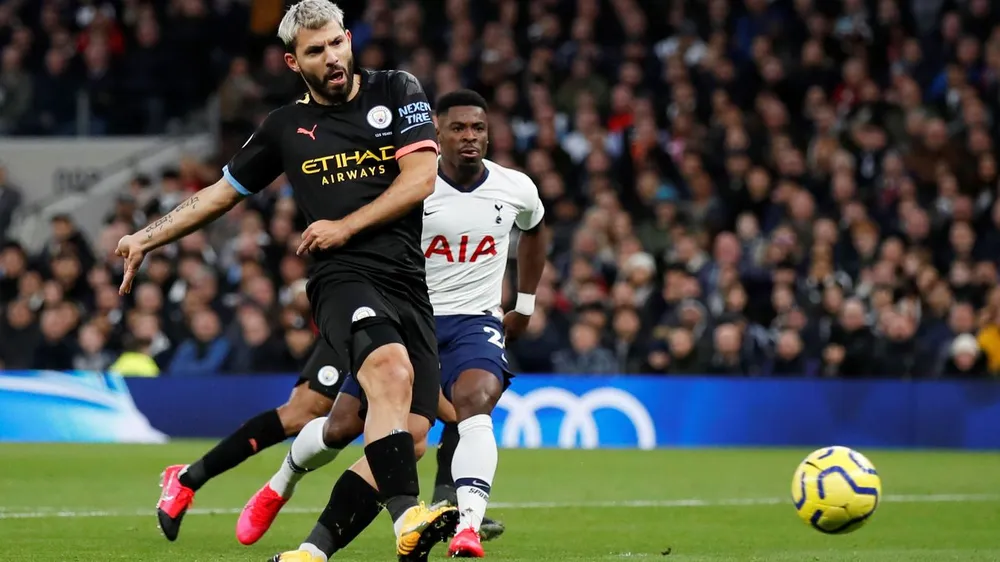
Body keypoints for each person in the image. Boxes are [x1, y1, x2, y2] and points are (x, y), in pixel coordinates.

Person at [115, 0, 455, 559]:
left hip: (408, 285)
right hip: (342, 278)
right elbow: (220, 195)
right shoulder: (284, 127)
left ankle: (311, 551)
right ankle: (406, 520)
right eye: (315, 52)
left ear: (349, 39)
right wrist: (146, 237)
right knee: (383, 373)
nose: (331, 58)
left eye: (336, 44)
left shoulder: (397, 90)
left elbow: (421, 178)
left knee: (412, 436)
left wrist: (344, 223)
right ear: (294, 62)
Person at [242, 88, 547, 560]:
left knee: (466, 406)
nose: (470, 137)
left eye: (479, 128)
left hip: (473, 321)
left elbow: (535, 227)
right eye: (458, 129)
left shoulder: (515, 187)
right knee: (340, 427)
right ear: (436, 136)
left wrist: (524, 303)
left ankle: (464, 523)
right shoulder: (410, 190)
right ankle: (281, 482)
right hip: (406, 316)